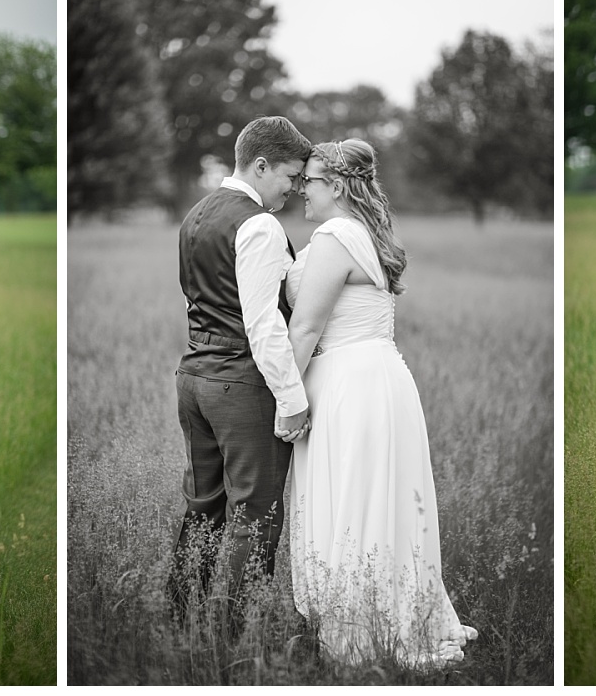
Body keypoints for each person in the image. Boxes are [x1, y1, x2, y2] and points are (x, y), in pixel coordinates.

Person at [283, 138, 476, 668]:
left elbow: (304, 327)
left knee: (353, 497)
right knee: (377, 497)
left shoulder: (334, 235)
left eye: (311, 181)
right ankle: (392, 613)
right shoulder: (368, 231)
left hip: (349, 381)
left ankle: (362, 629)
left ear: (338, 186)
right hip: (383, 376)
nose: (302, 189)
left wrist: (284, 398)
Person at [166, 116, 312, 621]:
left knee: (203, 506)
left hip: (194, 378)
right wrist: (293, 401)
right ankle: (231, 632)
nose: (294, 190)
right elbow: (264, 324)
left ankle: (182, 619)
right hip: (241, 383)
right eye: (291, 177)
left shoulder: (197, 214)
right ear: (261, 164)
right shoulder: (260, 224)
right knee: (258, 515)